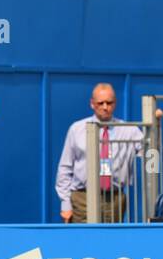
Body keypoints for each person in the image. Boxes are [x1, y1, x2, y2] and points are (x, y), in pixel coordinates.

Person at [55, 83, 144, 223]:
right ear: (92, 103)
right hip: (83, 198)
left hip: (114, 198)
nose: (105, 107)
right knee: (83, 240)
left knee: (111, 241)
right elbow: (65, 168)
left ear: (115, 103)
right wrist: (65, 204)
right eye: (100, 103)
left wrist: (155, 128)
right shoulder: (77, 129)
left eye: (109, 103)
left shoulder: (129, 130)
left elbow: (151, 152)